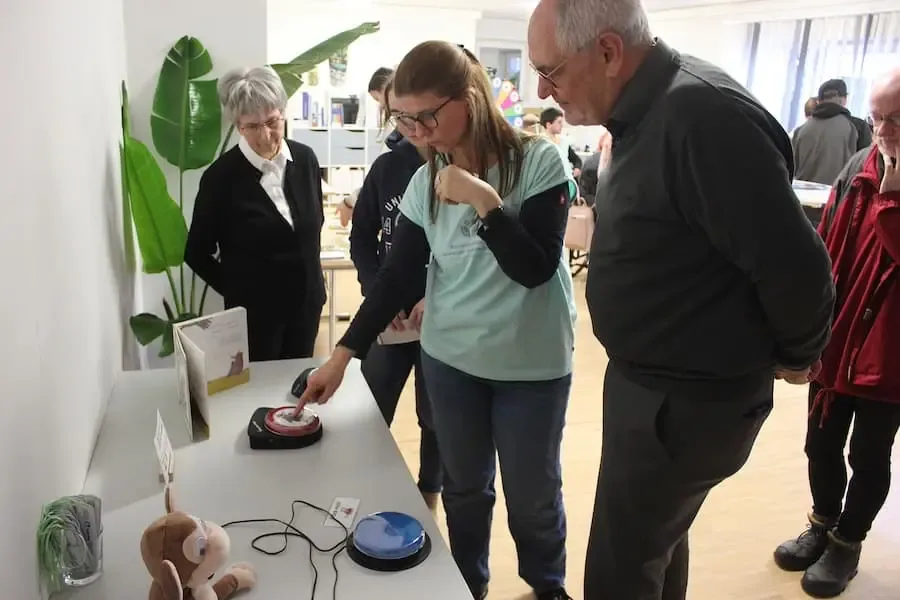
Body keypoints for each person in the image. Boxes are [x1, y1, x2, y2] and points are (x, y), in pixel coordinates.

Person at [527, 1, 836, 599]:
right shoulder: (647, 110)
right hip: (658, 388)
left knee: (620, 568)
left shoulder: (699, 118)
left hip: (684, 401)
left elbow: (797, 267)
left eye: (552, 71)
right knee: (654, 546)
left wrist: (799, 354)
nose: (545, 90)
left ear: (610, 52)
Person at [297, 41, 577, 600]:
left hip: (532, 366)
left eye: (428, 115)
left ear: (468, 99)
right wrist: (341, 356)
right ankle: (468, 584)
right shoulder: (424, 183)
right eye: (404, 118)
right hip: (452, 363)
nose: (417, 130)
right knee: (465, 490)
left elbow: (535, 269)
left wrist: (484, 201)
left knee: (533, 495)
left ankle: (547, 587)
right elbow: (397, 277)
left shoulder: (539, 162)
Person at [773, 67, 900, 599]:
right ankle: (823, 524)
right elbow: (827, 246)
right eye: (876, 118)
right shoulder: (860, 163)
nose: (883, 130)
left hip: (888, 353)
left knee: (868, 455)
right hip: (837, 336)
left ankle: (848, 542)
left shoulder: (888, 175)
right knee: (819, 443)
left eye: (896, 119)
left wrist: (893, 197)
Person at [185, 66, 326, 361]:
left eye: (273, 122)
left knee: (295, 390)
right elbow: (196, 252)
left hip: (307, 308)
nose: (265, 135)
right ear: (238, 125)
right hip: (255, 320)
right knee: (259, 397)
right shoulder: (220, 178)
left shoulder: (306, 160)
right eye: (252, 126)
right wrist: (242, 293)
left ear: (283, 114)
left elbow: (314, 228)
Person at [349, 79, 443, 507]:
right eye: (399, 117)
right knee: (371, 408)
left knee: (435, 418)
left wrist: (437, 298)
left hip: (440, 319)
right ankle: (365, 489)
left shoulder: (458, 168)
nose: (409, 126)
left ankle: (429, 497)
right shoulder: (387, 169)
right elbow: (361, 238)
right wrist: (375, 293)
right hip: (389, 317)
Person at [337, 67, 398, 228]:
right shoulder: (394, 124)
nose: (381, 106)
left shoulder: (396, 126)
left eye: (378, 100)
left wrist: (351, 200)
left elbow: (382, 174)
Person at [793, 79, 874, 185]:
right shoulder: (858, 127)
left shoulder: (800, 130)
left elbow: (791, 169)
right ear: (844, 99)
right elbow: (866, 168)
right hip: (837, 197)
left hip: (801, 197)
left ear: (819, 101)